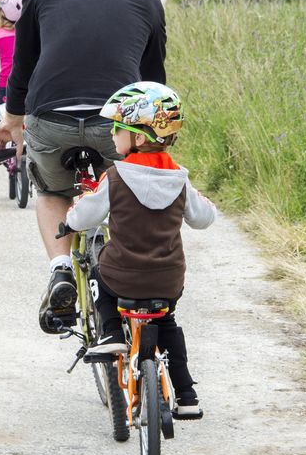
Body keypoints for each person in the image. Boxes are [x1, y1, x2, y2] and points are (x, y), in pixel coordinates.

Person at [0, 0, 167, 333]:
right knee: (125, 194)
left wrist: (12, 119)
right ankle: (127, 278)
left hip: (51, 118)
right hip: (114, 125)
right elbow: (153, 83)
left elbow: (23, 66)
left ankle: (61, 267)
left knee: (51, 191)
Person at [65, 81, 215, 419]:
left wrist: (72, 214)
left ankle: (112, 332)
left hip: (122, 278)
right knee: (168, 324)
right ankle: (187, 395)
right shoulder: (179, 178)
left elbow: (85, 217)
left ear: (140, 136)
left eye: (117, 128)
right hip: (168, 280)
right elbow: (204, 218)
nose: (112, 136)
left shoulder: (115, 177)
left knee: (98, 270)